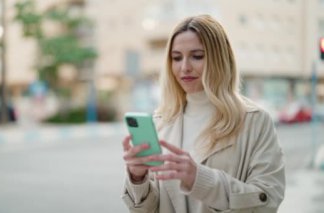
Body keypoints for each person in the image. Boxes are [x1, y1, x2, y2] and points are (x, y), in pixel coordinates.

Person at [121, 14, 285, 213]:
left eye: (197, 56)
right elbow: (148, 209)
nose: (184, 67)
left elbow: (268, 201)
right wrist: (138, 178)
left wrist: (200, 179)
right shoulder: (161, 122)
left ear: (220, 59)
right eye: (176, 58)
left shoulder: (255, 121)